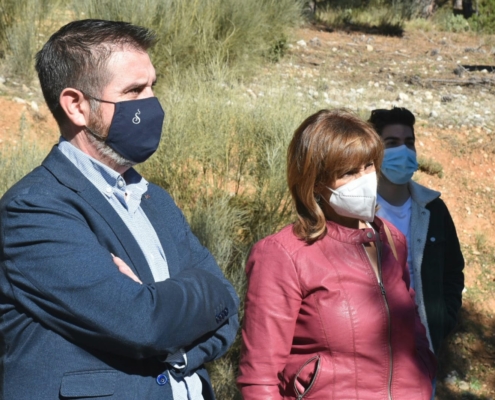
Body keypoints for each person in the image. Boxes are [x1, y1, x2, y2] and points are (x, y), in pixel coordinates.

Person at [0, 19, 239, 400]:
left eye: (152, 87)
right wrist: (197, 297)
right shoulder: (35, 210)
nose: (151, 104)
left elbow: (228, 306)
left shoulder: (154, 199)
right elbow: (141, 323)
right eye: (134, 91)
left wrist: (178, 338)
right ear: (76, 105)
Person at [237, 109, 436, 399]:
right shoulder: (283, 255)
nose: (365, 179)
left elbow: (412, 328)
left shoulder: (392, 239)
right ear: (316, 183)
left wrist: (424, 371)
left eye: (369, 165)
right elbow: (260, 378)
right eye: (348, 172)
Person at [368, 107, 465, 398]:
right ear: (373, 151)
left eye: (408, 142)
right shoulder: (356, 210)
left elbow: (452, 270)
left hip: (421, 352)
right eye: (392, 143)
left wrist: (444, 319)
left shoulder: (433, 208)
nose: (404, 150)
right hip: (369, 351)